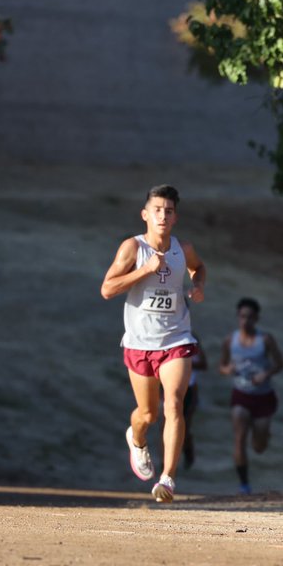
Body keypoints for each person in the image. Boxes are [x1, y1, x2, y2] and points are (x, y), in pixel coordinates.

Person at [100, 184, 205, 502]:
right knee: (148, 414)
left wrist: (197, 285)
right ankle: (138, 438)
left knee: (174, 403)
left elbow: (199, 267)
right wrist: (143, 271)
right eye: (157, 209)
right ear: (145, 214)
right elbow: (107, 289)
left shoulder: (182, 249)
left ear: (175, 217)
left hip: (176, 338)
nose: (163, 215)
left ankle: (168, 479)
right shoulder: (132, 248)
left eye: (169, 210)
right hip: (139, 341)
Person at [218, 297, 283, 494]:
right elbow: (221, 366)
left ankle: (263, 435)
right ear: (238, 317)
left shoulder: (266, 339)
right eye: (242, 316)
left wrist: (265, 374)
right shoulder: (230, 340)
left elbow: (280, 364)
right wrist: (227, 369)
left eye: (249, 317)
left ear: (256, 318)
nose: (245, 320)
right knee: (239, 438)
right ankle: (244, 484)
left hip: (264, 397)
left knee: (259, 447)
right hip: (241, 394)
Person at [182, 345, 209, 470]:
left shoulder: (193, 339)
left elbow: (204, 364)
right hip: (167, 386)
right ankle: (164, 464)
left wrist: (182, 363)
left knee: (184, 427)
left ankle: (188, 456)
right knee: (163, 427)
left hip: (189, 389)